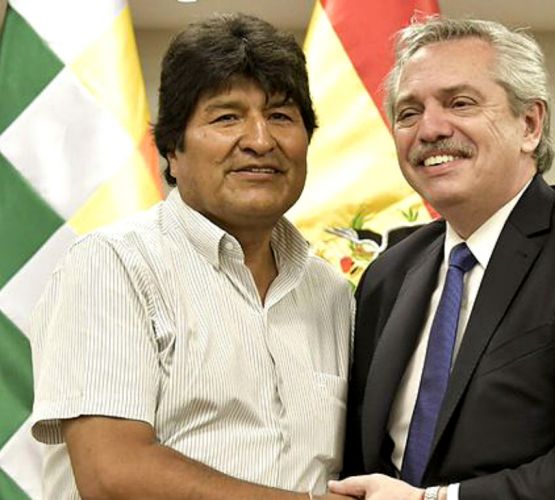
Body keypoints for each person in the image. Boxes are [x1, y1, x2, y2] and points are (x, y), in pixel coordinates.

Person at [330, 16, 555, 500]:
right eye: (408, 112)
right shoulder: (389, 274)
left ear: (529, 125)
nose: (430, 129)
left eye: (460, 103)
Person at [30, 13, 353, 500]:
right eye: (226, 117)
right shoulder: (112, 264)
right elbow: (112, 473)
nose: (260, 140)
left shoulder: (332, 293)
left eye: (281, 117)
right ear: (172, 151)